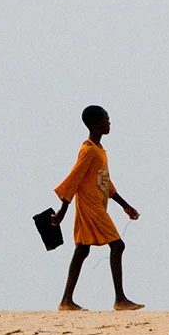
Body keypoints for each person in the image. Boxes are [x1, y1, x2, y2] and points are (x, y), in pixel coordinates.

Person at [51, 105, 144, 311]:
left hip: (97, 204)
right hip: (90, 206)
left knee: (82, 249)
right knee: (117, 245)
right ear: (95, 124)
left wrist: (125, 206)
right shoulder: (89, 151)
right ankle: (120, 299)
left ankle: (66, 301)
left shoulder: (99, 150)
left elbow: (105, 182)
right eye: (106, 120)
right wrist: (62, 212)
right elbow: (73, 180)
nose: (109, 123)